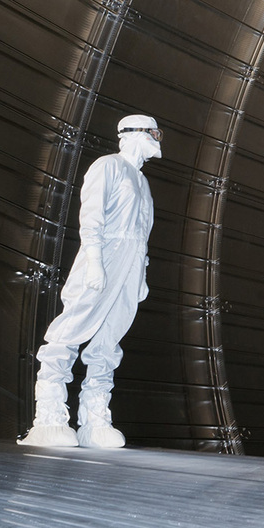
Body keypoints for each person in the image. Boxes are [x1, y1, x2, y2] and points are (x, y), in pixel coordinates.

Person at [19, 115, 162, 448]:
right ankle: (50, 415)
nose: (158, 139)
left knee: (109, 340)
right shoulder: (108, 166)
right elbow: (92, 216)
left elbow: (142, 234)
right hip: (102, 256)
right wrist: (96, 263)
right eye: (152, 133)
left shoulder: (143, 183)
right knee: (73, 327)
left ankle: (94, 419)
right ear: (132, 135)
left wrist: (139, 274)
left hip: (129, 267)